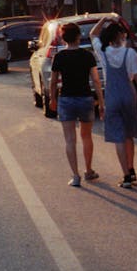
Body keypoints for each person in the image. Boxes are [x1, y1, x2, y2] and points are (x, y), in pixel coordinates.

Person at [90, 16, 137, 188]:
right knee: (128, 135)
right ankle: (131, 170)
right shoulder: (130, 53)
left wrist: (104, 19)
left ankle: (125, 175)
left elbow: (92, 34)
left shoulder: (103, 51)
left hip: (112, 96)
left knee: (118, 137)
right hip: (128, 95)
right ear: (120, 36)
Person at [49, 22, 104, 188]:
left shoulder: (59, 57)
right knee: (86, 136)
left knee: (70, 140)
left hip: (66, 99)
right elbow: (95, 80)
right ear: (79, 36)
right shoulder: (87, 55)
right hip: (85, 99)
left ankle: (75, 175)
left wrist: (53, 99)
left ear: (64, 38)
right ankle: (88, 170)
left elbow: (53, 81)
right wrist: (101, 101)